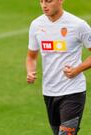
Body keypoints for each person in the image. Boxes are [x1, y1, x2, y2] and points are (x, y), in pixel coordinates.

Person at [26, 0, 91, 134]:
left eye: (49, 1)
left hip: (73, 91)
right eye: (41, 1)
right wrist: (30, 71)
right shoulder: (36, 25)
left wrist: (77, 70)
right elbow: (31, 56)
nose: (44, 5)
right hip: (49, 92)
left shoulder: (78, 25)